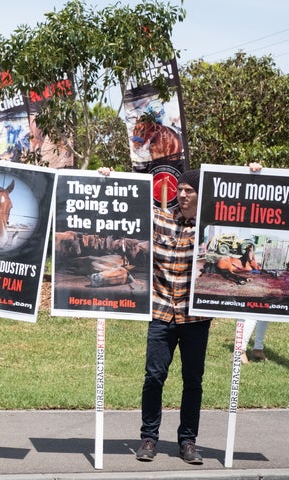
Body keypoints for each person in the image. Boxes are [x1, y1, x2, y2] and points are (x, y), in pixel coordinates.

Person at [100, 163, 261, 465]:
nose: (182, 194)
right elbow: (122, 213)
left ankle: (188, 441)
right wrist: (107, 180)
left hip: (195, 319)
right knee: (154, 377)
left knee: (193, 380)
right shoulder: (160, 219)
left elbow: (249, 210)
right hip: (161, 314)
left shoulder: (212, 230)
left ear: (202, 196)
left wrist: (254, 173)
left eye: (189, 190)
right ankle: (148, 437)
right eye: (181, 189)